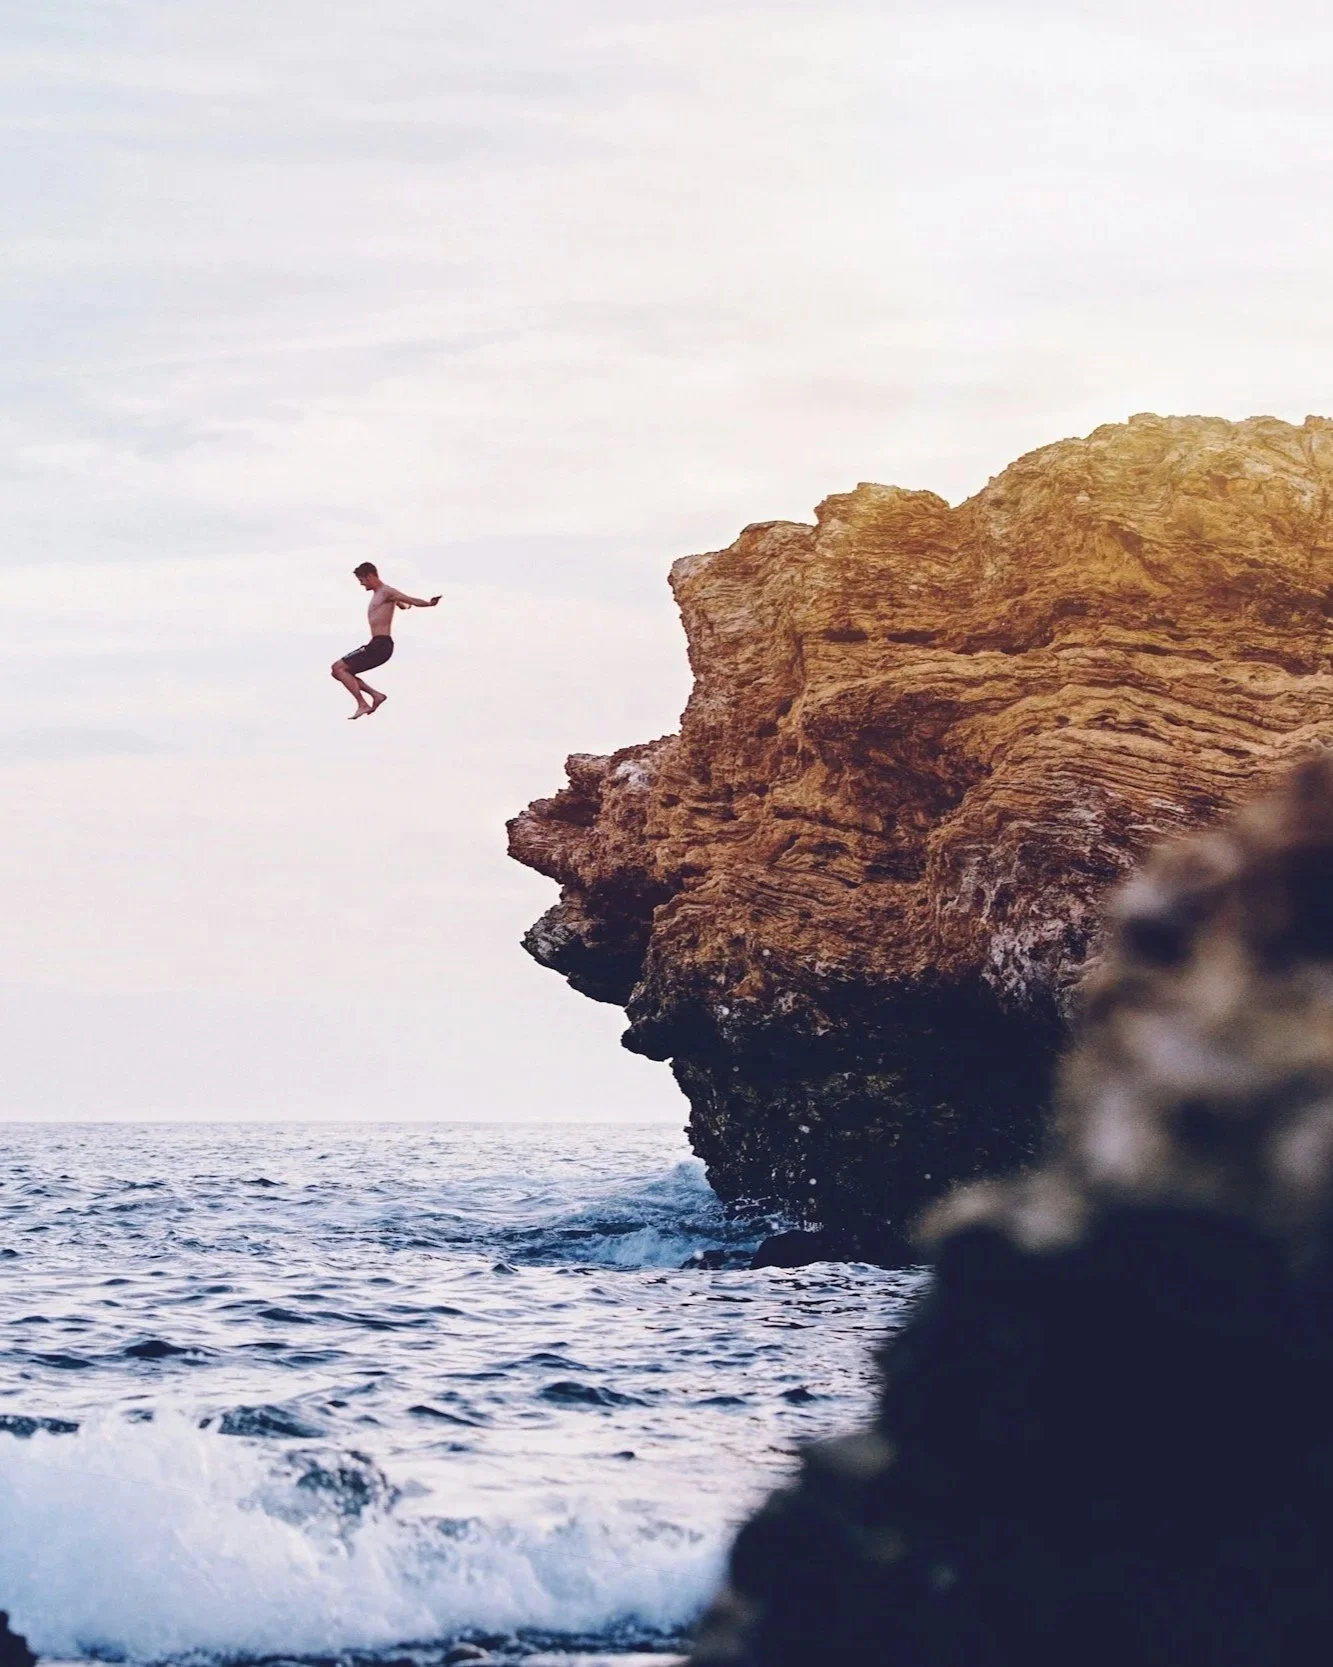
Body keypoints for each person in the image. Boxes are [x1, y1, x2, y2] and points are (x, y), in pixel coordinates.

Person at [332, 561, 441, 718]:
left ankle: (363, 704)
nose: (361, 585)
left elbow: (410, 600)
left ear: (370, 576)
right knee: (339, 672)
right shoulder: (381, 595)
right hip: (376, 645)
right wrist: (402, 604)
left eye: (362, 580)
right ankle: (376, 695)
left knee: (338, 668)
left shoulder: (386, 592)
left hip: (380, 645)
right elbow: (404, 604)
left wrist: (429, 604)